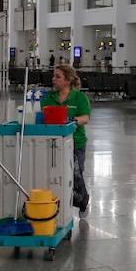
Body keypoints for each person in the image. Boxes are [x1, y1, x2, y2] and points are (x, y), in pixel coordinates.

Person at [40, 64, 92, 217]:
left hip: (75, 142)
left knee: (76, 174)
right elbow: (42, 116)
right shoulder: (48, 97)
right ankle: (60, 204)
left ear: (68, 80)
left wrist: (73, 120)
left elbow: (86, 117)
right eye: (53, 76)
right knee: (56, 176)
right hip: (53, 143)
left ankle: (82, 201)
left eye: (58, 76)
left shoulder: (79, 97)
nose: (53, 79)